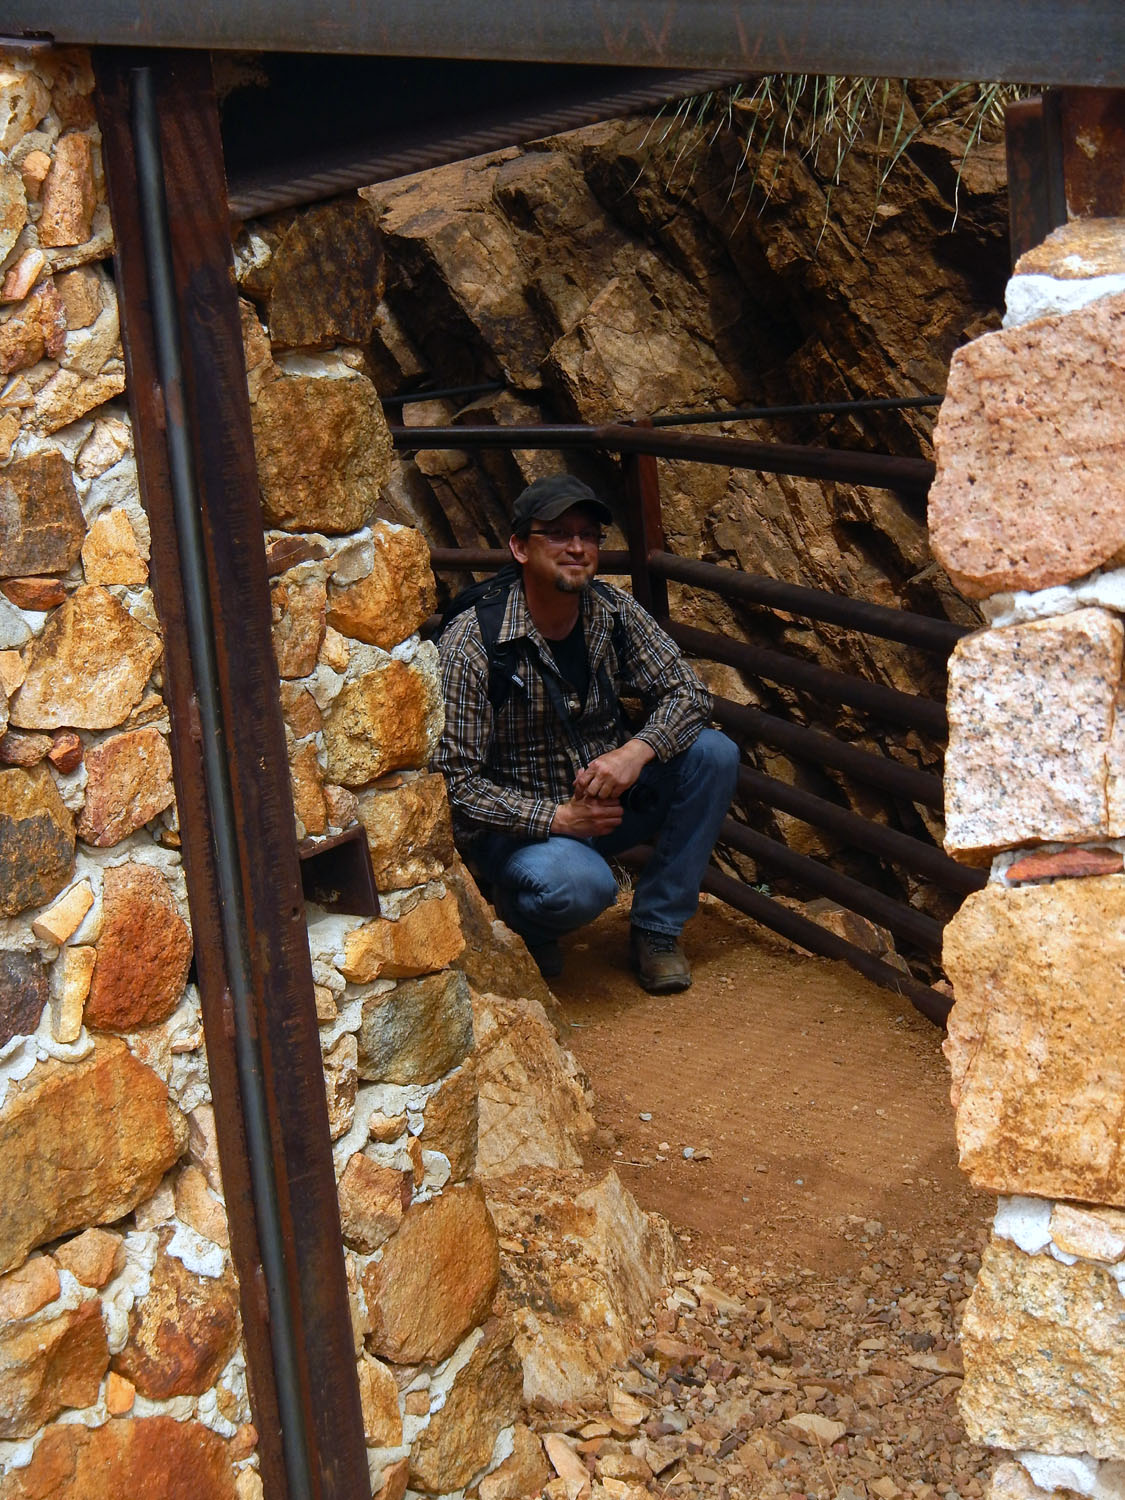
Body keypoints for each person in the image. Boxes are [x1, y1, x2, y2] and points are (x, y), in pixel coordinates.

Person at [434, 474, 739, 992]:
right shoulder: (474, 644)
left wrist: (636, 751)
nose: (577, 546)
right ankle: (525, 918)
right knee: (581, 887)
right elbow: (457, 785)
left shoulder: (611, 610)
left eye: (589, 534)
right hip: (522, 826)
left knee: (714, 753)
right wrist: (558, 817)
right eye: (556, 533)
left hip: (607, 800)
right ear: (519, 548)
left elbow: (690, 694)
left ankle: (657, 930)